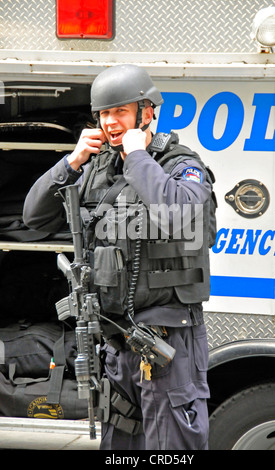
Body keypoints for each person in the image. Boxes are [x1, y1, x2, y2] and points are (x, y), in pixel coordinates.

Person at [23, 64, 213, 450]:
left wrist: (138, 157)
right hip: (118, 341)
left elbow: (181, 214)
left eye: (121, 111)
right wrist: (71, 161)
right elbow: (34, 218)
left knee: (170, 448)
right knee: (121, 443)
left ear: (148, 112)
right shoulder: (96, 169)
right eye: (105, 114)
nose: (111, 122)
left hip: (166, 339)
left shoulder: (179, 164)